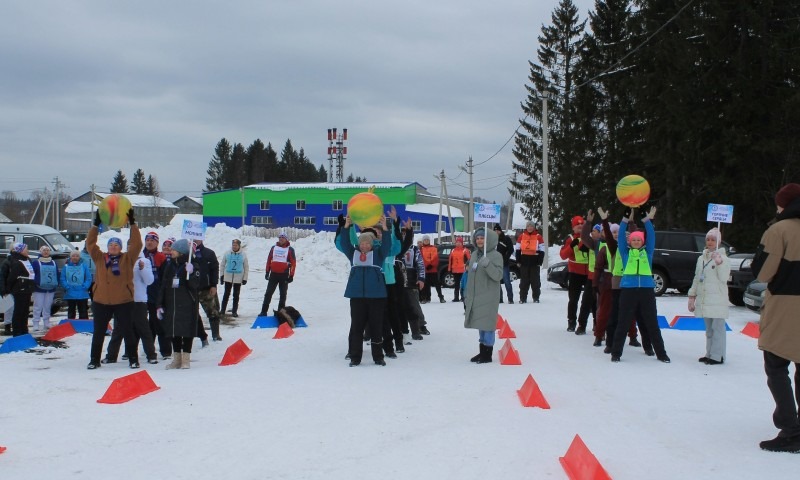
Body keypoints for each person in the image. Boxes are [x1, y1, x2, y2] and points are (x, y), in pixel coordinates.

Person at [750, 183, 800, 453]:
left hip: (785, 308)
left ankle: (790, 429)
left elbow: (763, 272)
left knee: (776, 367)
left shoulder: (779, 230)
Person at [610, 207, 670, 363]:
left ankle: (661, 353)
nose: (636, 242)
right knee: (623, 322)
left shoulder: (647, 252)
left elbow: (652, 236)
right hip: (628, 290)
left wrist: (646, 220)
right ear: (630, 242)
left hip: (646, 290)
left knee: (652, 322)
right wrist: (624, 219)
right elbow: (622, 238)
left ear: (642, 242)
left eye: (639, 240)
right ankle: (616, 353)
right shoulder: (625, 252)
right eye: (634, 240)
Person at [85, 209, 142, 369]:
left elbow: (137, 244)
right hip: (101, 301)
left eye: (116, 245)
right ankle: (94, 360)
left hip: (123, 301)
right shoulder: (100, 257)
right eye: (111, 244)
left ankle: (133, 359)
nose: (113, 247)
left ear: (121, 247)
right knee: (98, 333)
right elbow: (90, 244)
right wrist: (96, 225)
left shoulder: (127, 258)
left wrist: (133, 224)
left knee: (128, 331)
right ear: (107, 247)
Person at [338, 214, 392, 366]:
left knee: (376, 327)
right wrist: (346, 226)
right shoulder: (353, 254)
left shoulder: (378, 255)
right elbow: (344, 243)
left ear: (372, 243)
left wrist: (386, 229)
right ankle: (355, 357)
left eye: (367, 243)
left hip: (376, 297)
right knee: (357, 327)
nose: (364, 246)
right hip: (357, 297)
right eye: (362, 243)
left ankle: (378, 357)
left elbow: (387, 244)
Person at [103, 241, 159, 365]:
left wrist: (143, 269)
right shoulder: (122, 260)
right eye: (128, 247)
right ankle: (111, 355)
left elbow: (149, 281)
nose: (131, 249)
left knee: (143, 328)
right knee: (118, 329)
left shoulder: (144, 261)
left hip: (138, 300)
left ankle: (151, 355)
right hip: (123, 300)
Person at [688, 228, 730, 365]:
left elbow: (724, 278)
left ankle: (717, 356)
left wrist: (719, 264)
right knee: (709, 330)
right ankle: (709, 353)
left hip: (717, 299)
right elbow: (696, 278)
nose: (710, 242)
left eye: (713, 240)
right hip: (705, 299)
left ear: (719, 242)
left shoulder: (723, 258)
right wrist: (692, 295)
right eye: (708, 239)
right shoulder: (701, 258)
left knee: (718, 329)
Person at [157, 239, 201, 370]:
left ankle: (186, 359)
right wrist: (159, 304)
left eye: (174, 250)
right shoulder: (169, 265)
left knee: (187, 331)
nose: (171, 251)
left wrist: (191, 273)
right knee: (174, 330)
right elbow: (164, 285)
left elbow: (195, 285)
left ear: (181, 252)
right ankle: (176, 359)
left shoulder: (192, 265)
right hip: (172, 304)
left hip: (187, 303)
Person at [464, 228, 503, 364]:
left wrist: (488, 265)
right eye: (478, 238)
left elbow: (498, 276)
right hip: (477, 295)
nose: (479, 241)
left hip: (489, 295)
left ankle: (488, 354)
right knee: (481, 324)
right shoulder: (475, 254)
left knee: (488, 325)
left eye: (482, 238)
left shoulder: (496, 256)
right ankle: (482, 351)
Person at [560, 215, 592, 333]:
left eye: (581, 224)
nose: (580, 226)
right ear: (573, 228)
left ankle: (591, 322)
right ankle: (571, 322)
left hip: (589, 272)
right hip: (575, 273)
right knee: (573, 299)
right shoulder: (569, 238)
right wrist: (571, 246)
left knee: (590, 299)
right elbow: (563, 255)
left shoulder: (589, 237)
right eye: (577, 225)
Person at [259, 232, 297, 317]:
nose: (281, 239)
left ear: (286, 239)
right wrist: (267, 272)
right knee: (268, 293)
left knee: (283, 294)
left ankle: (281, 312)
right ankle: (263, 311)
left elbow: (293, 263)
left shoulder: (290, 249)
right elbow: (269, 260)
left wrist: (291, 275)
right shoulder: (274, 248)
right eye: (280, 237)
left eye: (283, 238)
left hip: (284, 275)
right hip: (274, 274)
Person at [2, 243, 35, 336]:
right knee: (18, 312)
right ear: (20, 250)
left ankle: (24, 330)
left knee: (25, 312)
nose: (28, 251)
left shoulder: (27, 260)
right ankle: (17, 332)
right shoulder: (16, 261)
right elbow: (11, 278)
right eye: (26, 249)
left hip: (27, 289)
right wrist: (7, 289)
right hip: (19, 290)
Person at [193, 239, 222, 342]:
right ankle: (200, 335)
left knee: (213, 312)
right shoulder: (187, 253)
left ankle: (216, 334)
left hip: (207, 288)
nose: (195, 240)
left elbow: (215, 269)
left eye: (197, 238)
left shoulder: (209, 253)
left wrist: (214, 285)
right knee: (193, 313)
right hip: (192, 289)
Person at [31, 245, 59, 331]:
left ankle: (46, 322)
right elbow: (32, 274)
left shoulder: (53, 262)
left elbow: (57, 274)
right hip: (39, 288)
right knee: (37, 306)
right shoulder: (36, 263)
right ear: (41, 252)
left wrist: (57, 283)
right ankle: (36, 323)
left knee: (47, 306)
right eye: (44, 250)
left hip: (51, 288)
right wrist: (36, 282)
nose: (46, 252)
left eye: (47, 250)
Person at [515, 221, 544, 303]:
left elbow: (542, 250)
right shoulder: (521, 236)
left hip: (535, 261)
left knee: (535, 281)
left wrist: (540, 261)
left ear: (534, 227)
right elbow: (517, 249)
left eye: (531, 226)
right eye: (528, 226)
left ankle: (536, 297)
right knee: (524, 281)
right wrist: (518, 260)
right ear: (526, 227)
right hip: (524, 260)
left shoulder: (539, 237)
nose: (530, 228)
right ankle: (522, 298)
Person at [220, 238, 249, 318]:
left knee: (236, 295)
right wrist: (222, 275)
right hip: (228, 277)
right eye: (233, 245)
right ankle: (222, 310)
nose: (234, 246)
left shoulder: (243, 255)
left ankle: (234, 311)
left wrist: (245, 278)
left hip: (238, 278)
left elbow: (246, 267)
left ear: (239, 246)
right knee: (226, 294)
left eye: (236, 245)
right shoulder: (227, 253)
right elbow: (222, 265)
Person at [60, 249, 92, 319]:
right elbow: (63, 278)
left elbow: (88, 278)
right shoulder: (66, 267)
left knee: (83, 310)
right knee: (71, 310)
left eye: (77, 256)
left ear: (79, 257)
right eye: (73, 256)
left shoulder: (84, 266)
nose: (75, 257)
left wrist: (85, 286)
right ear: (70, 257)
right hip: (70, 292)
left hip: (82, 292)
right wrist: (66, 286)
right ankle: (71, 325)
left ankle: (84, 325)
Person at [420, 235, 445, 303]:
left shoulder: (434, 248)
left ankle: (441, 297)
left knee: (437, 284)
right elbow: (421, 259)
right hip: (425, 270)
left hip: (433, 270)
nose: (426, 241)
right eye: (425, 240)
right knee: (425, 285)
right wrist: (425, 266)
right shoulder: (421, 249)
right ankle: (425, 298)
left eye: (427, 240)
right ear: (423, 241)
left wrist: (431, 265)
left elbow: (436, 259)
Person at [493, 224, 514, 303]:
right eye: (495, 231)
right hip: (495, 264)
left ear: (500, 231)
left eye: (497, 230)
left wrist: (506, 257)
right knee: (497, 282)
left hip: (504, 263)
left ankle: (510, 298)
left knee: (506, 281)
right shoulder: (492, 240)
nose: (496, 232)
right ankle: (500, 298)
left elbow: (511, 249)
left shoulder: (506, 239)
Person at [448, 237, 471, 302]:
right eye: (457, 242)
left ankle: (463, 297)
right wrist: (449, 269)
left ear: (462, 243)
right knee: (456, 285)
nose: (458, 243)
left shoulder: (465, 250)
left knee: (463, 284)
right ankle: (456, 297)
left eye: (459, 242)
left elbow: (469, 260)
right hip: (455, 270)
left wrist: (468, 269)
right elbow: (450, 260)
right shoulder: (453, 250)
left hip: (463, 270)